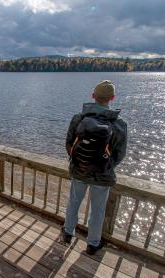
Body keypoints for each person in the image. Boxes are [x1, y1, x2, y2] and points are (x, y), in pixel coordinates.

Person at [62, 80, 127, 255]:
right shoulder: (119, 124)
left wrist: (79, 162)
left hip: (79, 171)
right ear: (112, 98)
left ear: (93, 96)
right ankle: (93, 243)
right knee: (98, 210)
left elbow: (68, 143)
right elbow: (120, 154)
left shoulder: (79, 118)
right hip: (103, 175)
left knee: (73, 202)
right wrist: (104, 166)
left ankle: (67, 233)